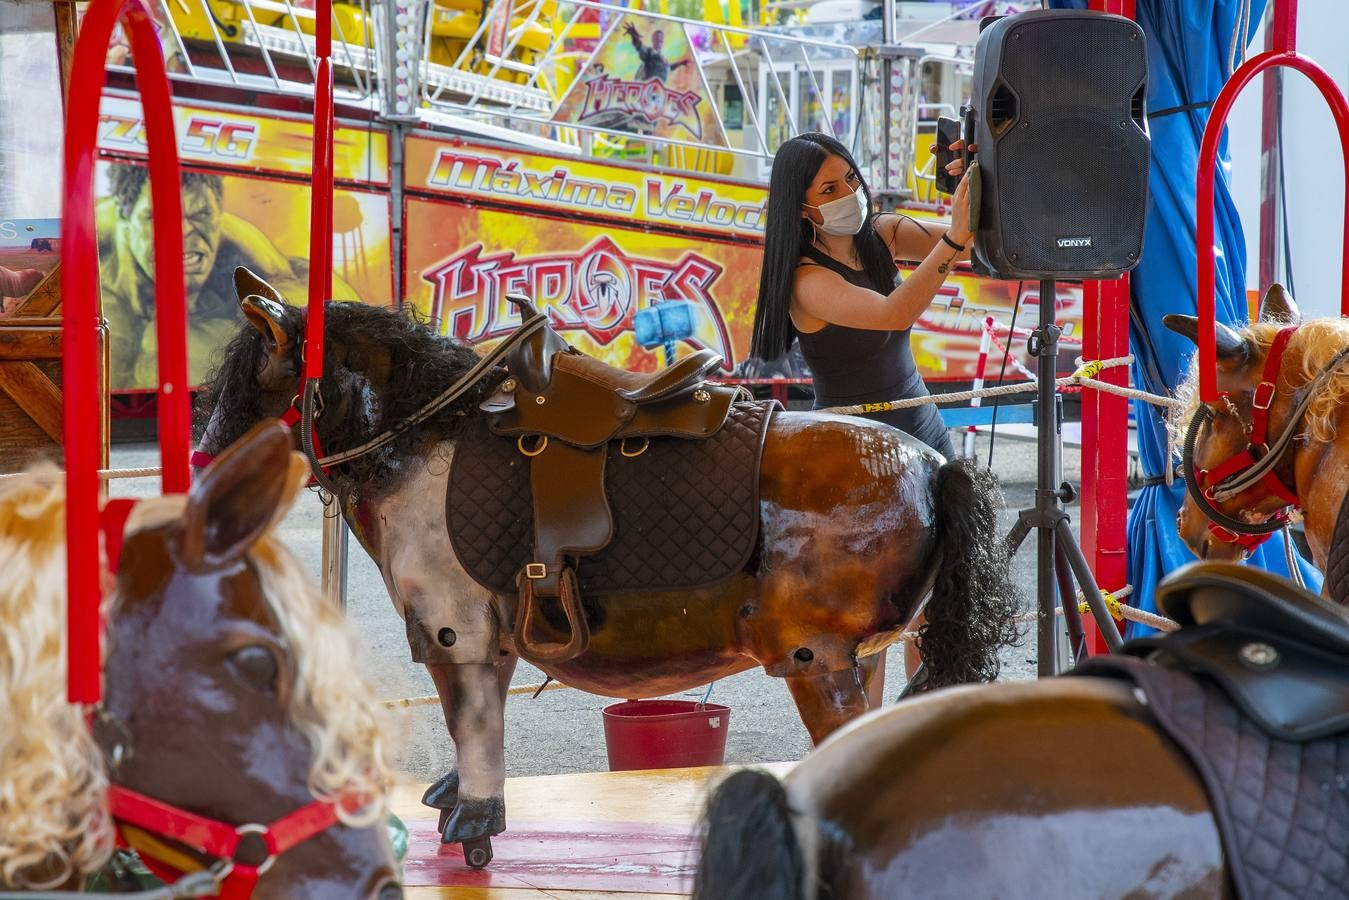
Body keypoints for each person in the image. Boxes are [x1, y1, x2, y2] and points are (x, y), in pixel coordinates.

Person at [749, 131, 974, 460]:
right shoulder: (807, 280)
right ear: (800, 209)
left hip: (927, 429)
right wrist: (954, 237)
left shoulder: (884, 232)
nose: (850, 192)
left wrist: (977, 175)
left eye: (851, 177)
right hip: (852, 451)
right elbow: (894, 314)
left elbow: (975, 245)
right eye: (830, 189)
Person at [97, 163, 354, 391]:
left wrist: (268, 257)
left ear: (220, 217)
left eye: (201, 214)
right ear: (125, 221)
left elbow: (344, 328)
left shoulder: (261, 269)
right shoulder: (102, 255)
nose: (183, 231)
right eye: (158, 216)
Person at [623, 22, 688, 83]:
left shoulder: (662, 58)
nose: (659, 43)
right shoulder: (650, 52)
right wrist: (634, 36)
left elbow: (669, 67)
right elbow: (639, 47)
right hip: (646, 85)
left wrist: (681, 63)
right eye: (657, 40)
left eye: (661, 41)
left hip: (657, 89)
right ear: (653, 40)